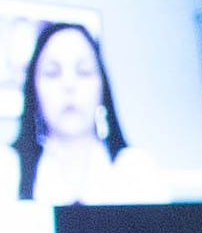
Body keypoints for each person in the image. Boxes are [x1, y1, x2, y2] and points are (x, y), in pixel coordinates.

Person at [10, 20, 142, 204]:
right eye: (52, 73)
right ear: (33, 91)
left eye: (83, 71)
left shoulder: (136, 169)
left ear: (102, 88)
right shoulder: (5, 170)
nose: (69, 85)